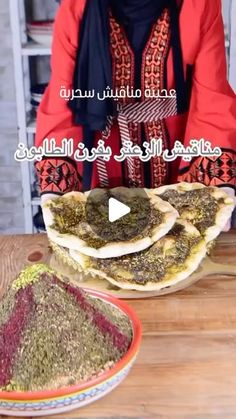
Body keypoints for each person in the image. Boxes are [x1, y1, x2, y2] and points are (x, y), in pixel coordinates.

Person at [35, 0, 236, 220]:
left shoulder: (199, 5)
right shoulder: (77, 9)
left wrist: (218, 186)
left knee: (181, 241)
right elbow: (62, 103)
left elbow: (212, 99)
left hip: (177, 166)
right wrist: (54, 189)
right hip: (104, 164)